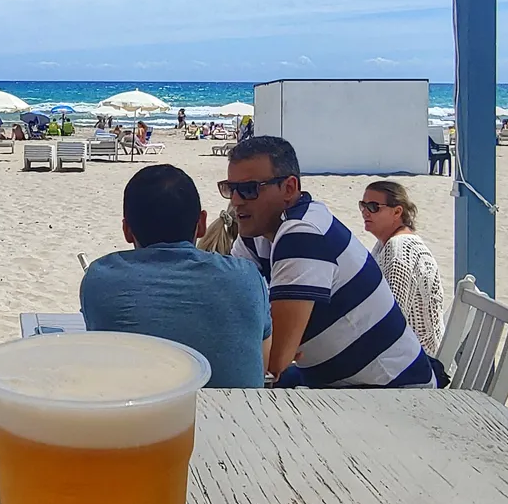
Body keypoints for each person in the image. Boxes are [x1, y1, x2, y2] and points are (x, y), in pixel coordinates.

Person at [223, 136, 437, 387]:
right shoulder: (256, 237)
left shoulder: (304, 232)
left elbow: (273, 361)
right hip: (336, 379)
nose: (236, 200)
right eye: (230, 188)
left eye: (249, 189)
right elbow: (231, 312)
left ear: (289, 188)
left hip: (392, 390)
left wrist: (270, 340)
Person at [80, 164, 270, 388]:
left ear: (127, 230)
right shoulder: (246, 277)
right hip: (231, 410)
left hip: (141, 408)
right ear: (201, 224)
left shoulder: (100, 277)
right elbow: (262, 364)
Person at [359, 180, 447, 356]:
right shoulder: (385, 244)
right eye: (363, 206)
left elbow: (390, 322)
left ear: (397, 212)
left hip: (413, 359)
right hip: (408, 353)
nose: (365, 212)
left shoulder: (399, 250)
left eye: (373, 207)